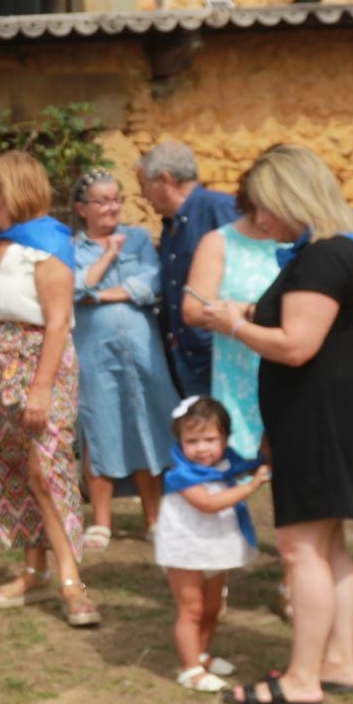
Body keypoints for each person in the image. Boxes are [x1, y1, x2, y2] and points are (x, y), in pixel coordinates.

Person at [208, 144, 353, 704]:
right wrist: (251, 313)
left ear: (292, 198)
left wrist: (232, 325)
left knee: (299, 549)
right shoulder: (340, 254)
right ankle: (337, 662)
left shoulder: (319, 258)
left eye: (265, 206)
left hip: (320, 423)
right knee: (330, 544)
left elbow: (296, 346)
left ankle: (301, 679)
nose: (259, 219)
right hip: (339, 419)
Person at [0, 152, 98, 626]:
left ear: (10, 190)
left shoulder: (47, 247)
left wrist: (42, 388)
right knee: (10, 468)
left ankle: (71, 579)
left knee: (46, 469)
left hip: (38, 363)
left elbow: (59, 322)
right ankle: (33, 567)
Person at [70, 170, 180, 547]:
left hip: (143, 352)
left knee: (147, 425)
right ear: (82, 209)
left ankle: (154, 519)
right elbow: (72, 285)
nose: (113, 207)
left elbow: (150, 284)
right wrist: (108, 259)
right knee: (99, 428)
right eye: (103, 201)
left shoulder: (138, 238)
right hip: (94, 354)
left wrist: (100, 295)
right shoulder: (71, 249)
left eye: (117, 199)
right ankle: (101, 522)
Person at [153, 397, 269, 692]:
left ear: (225, 439)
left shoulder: (227, 465)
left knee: (212, 607)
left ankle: (201, 655)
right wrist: (251, 486)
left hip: (215, 548)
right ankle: (190, 670)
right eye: (192, 440)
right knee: (191, 610)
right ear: (179, 440)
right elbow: (208, 504)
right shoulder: (180, 474)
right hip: (186, 551)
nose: (202, 448)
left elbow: (259, 459)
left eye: (210, 439)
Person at [181, 183, 284, 456]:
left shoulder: (300, 239)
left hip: (288, 360)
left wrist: (246, 310)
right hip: (240, 371)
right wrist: (248, 312)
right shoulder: (220, 242)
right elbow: (192, 308)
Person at [138, 141, 236, 396]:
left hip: (223, 353)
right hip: (188, 356)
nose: (143, 196)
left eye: (144, 186)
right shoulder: (171, 225)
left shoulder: (220, 209)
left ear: (164, 180)